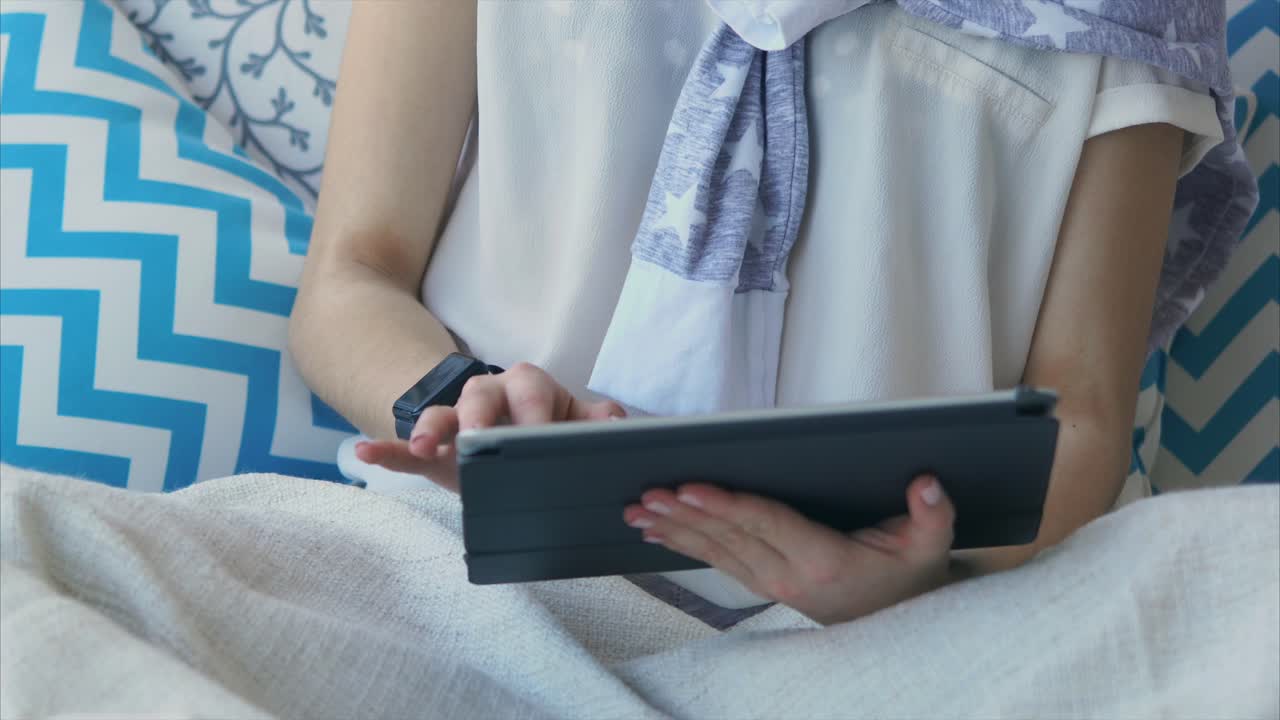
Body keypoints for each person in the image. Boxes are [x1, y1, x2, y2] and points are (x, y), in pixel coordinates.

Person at [289, 1, 1227, 626]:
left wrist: (913, 576)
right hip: (461, 577)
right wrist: (463, 404)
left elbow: (1083, 410)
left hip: (897, 638)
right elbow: (351, 279)